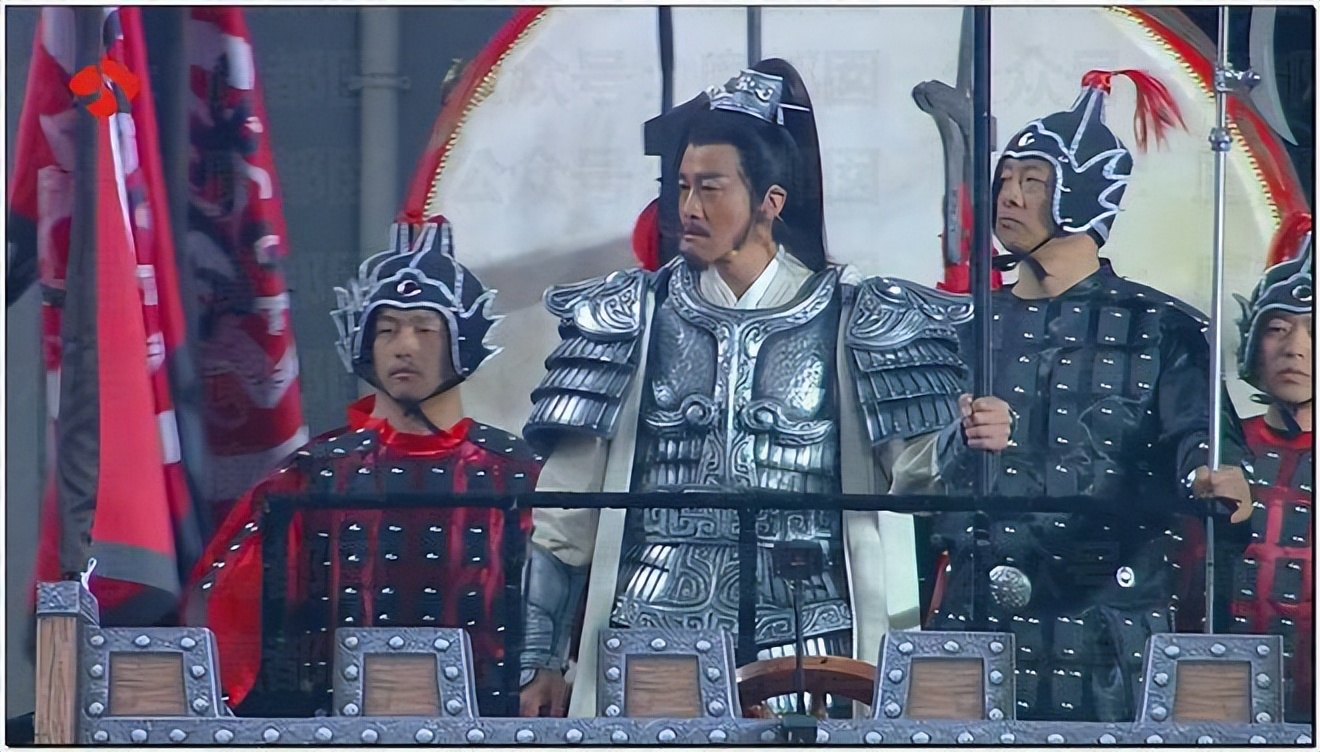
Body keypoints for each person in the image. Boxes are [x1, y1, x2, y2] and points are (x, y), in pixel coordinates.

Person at [517, 59, 1012, 718]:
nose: (688, 209)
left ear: (770, 203)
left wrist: (965, 437)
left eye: (711, 188)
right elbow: (564, 514)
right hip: (652, 627)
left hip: (810, 636)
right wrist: (540, 658)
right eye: (683, 187)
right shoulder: (631, 315)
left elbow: (914, 478)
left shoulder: (854, 313)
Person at [924, 69, 1255, 722]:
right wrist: (959, 441)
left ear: (1081, 193)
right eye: (1005, 180)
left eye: (1033, 181)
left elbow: (1200, 433)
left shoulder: (1160, 328)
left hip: (1106, 630)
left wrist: (1215, 476)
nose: (1009, 196)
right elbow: (912, 468)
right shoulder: (961, 326)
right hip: (974, 616)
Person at [184, 218, 541, 717]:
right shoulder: (310, 477)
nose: (404, 345)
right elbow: (223, 617)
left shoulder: (522, 476)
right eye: (387, 329)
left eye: (425, 328)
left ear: (463, 337)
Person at [1228, 234, 1313, 722]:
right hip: (1222, 696)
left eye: (1314, 330)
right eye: (1278, 328)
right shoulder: (1219, 448)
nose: (1295, 349)